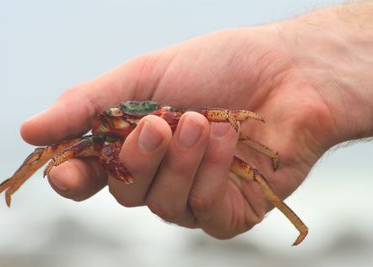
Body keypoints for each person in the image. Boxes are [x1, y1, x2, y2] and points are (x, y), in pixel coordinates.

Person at [20, 2, 373, 239]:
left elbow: (215, 118)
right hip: (108, 145)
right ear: (112, 117)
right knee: (45, 154)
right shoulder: (108, 128)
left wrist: (248, 128)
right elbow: (49, 152)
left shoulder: (172, 118)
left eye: (142, 117)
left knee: (238, 161)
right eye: (122, 117)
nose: (136, 123)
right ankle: (5, 190)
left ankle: (294, 223)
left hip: (183, 137)